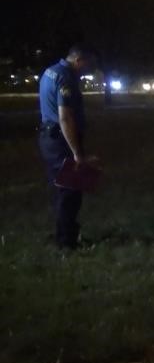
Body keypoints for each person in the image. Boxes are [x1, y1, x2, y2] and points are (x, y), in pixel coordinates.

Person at [37, 45, 95, 249]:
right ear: (78, 60)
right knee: (70, 192)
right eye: (86, 64)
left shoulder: (49, 71)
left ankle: (64, 234)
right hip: (61, 140)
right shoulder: (66, 77)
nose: (86, 69)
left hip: (48, 137)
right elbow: (65, 117)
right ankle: (66, 243)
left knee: (61, 190)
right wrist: (77, 153)